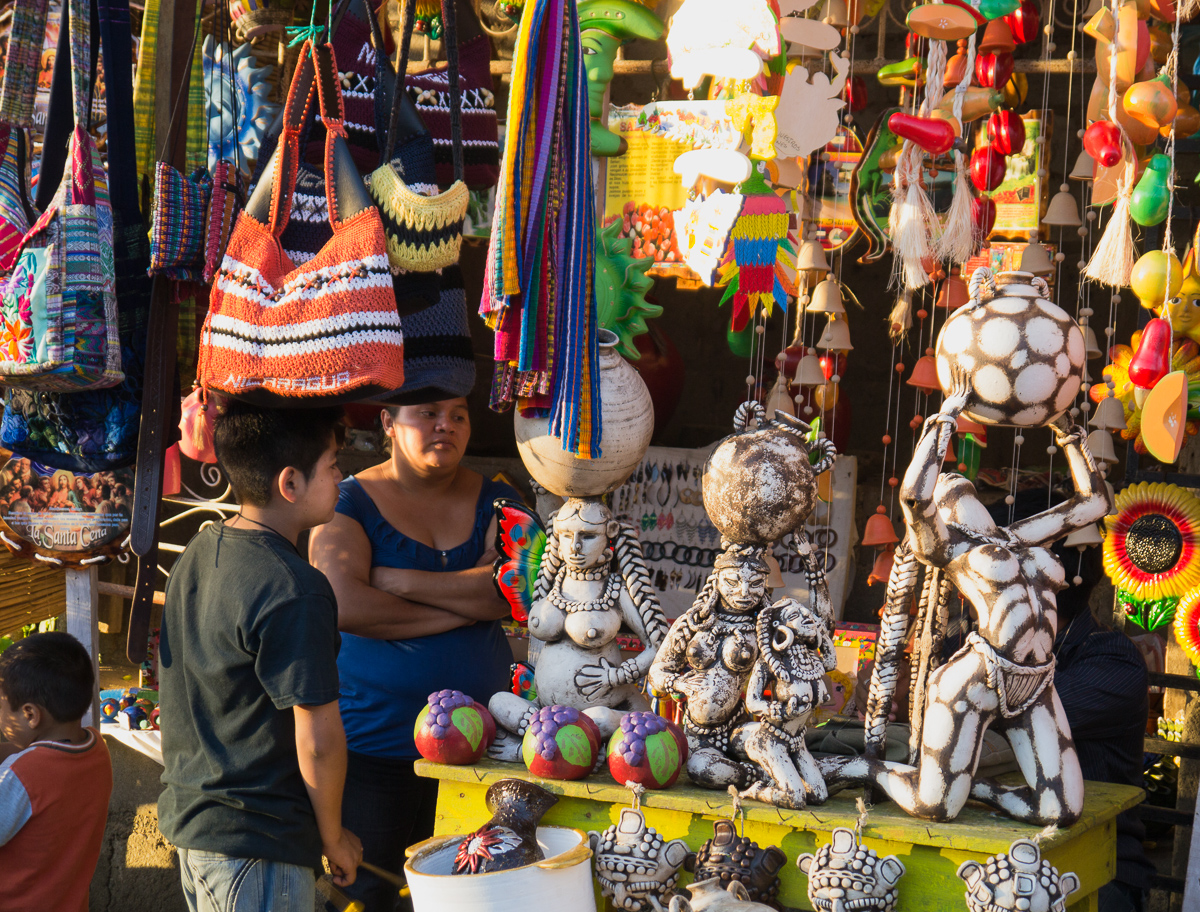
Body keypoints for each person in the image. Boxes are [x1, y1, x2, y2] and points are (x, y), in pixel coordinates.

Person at [310, 397, 517, 912]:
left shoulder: (500, 498)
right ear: (388, 422)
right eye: (426, 412)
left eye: (458, 414)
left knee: (465, 895)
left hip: (480, 752)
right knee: (368, 894)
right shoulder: (346, 499)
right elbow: (344, 603)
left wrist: (400, 579)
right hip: (374, 748)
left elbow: (515, 590)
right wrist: (466, 605)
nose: (445, 424)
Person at [158, 401, 362, 912]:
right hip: (256, 844)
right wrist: (333, 835)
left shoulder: (201, 549)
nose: (342, 476)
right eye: (334, 465)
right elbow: (317, 738)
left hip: (198, 827)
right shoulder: (296, 588)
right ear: (289, 483)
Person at [0, 632, 113, 912]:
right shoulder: (97, 750)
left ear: (30, 714)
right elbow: (38, 757)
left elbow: (25, 771)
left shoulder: (21, 777)